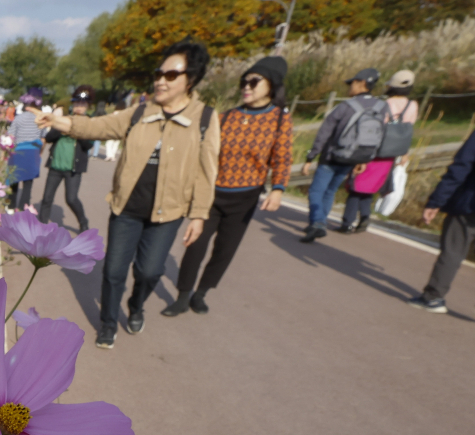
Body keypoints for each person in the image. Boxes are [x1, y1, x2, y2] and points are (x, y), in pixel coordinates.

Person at [35, 39, 220, 349]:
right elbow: (96, 127)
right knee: (114, 270)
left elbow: (206, 170)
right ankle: (108, 323)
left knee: (150, 272)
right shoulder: (140, 112)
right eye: (159, 73)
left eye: (171, 75)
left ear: (192, 79)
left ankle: (136, 306)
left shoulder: (204, 118)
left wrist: (199, 215)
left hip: (167, 213)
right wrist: (59, 121)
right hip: (127, 209)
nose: (160, 80)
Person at [165, 56, 293, 316]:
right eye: (244, 81)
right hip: (212, 194)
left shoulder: (279, 120)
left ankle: (201, 293)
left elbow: (282, 157)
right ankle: (182, 295)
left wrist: (278, 189)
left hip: (245, 197)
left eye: (254, 81)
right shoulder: (225, 117)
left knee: (225, 249)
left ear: (271, 86)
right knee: (195, 245)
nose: (247, 86)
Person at [299, 68, 387, 243]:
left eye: (352, 83)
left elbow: (324, 133)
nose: (349, 87)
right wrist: (364, 159)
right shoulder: (381, 106)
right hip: (355, 156)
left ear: (362, 83)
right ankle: (320, 222)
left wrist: (311, 157)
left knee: (316, 190)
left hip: (332, 155)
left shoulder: (346, 106)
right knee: (330, 191)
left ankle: (317, 223)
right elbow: (380, 134)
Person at [340, 70, 419, 233]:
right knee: (370, 186)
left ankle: (348, 221)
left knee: (356, 185)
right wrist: (404, 153)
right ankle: (365, 215)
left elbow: (374, 128)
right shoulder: (413, 105)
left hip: (374, 150)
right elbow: (409, 129)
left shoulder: (384, 104)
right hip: (392, 153)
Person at [406, 129, 475, 313]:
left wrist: (437, 200)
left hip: (469, 204)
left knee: (453, 250)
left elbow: (461, 167)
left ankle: (433, 297)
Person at [37, 86, 96, 231]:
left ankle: (83, 222)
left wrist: (76, 131)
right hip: (56, 166)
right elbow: (49, 138)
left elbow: (89, 144)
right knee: (47, 198)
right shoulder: (62, 120)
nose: (79, 107)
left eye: (83, 104)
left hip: (73, 169)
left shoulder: (90, 123)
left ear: (87, 106)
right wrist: (62, 128)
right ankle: (41, 227)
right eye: (77, 103)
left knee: (71, 198)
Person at [7, 93, 44, 210]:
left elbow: (11, 136)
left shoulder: (18, 118)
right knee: (28, 184)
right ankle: (23, 208)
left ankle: (11, 206)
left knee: (14, 182)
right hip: (33, 152)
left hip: (17, 152)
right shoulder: (39, 120)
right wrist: (40, 151)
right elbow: (43, 139)